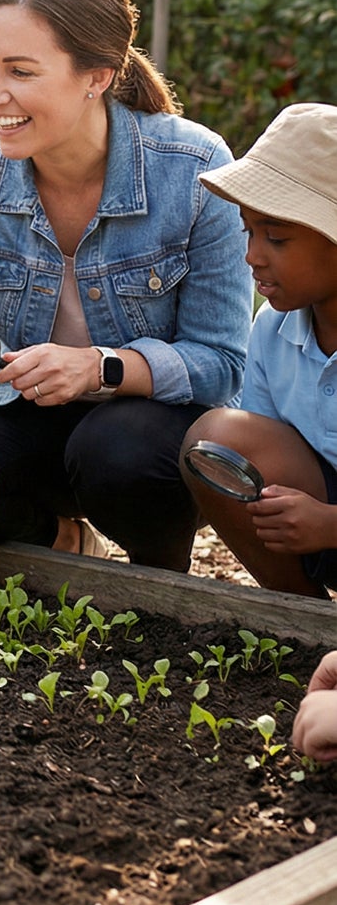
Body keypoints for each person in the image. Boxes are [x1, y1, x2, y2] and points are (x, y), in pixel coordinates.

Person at [0, 0, 251, 571]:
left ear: (96, 76)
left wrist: (100, 367)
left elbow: (220, 364)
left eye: (20, 71)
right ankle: (62, 543)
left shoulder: (194, 169)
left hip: (147, 440)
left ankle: (163, 586)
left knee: (118, 449)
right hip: (29, 419)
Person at [179, 103, 337, 596]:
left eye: (277, 237)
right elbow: (257, 457)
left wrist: (331, 525)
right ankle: (301, 618)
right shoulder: (273, 330)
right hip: (316, 523)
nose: (252, 255)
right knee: (218, 441)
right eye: (249, 231)